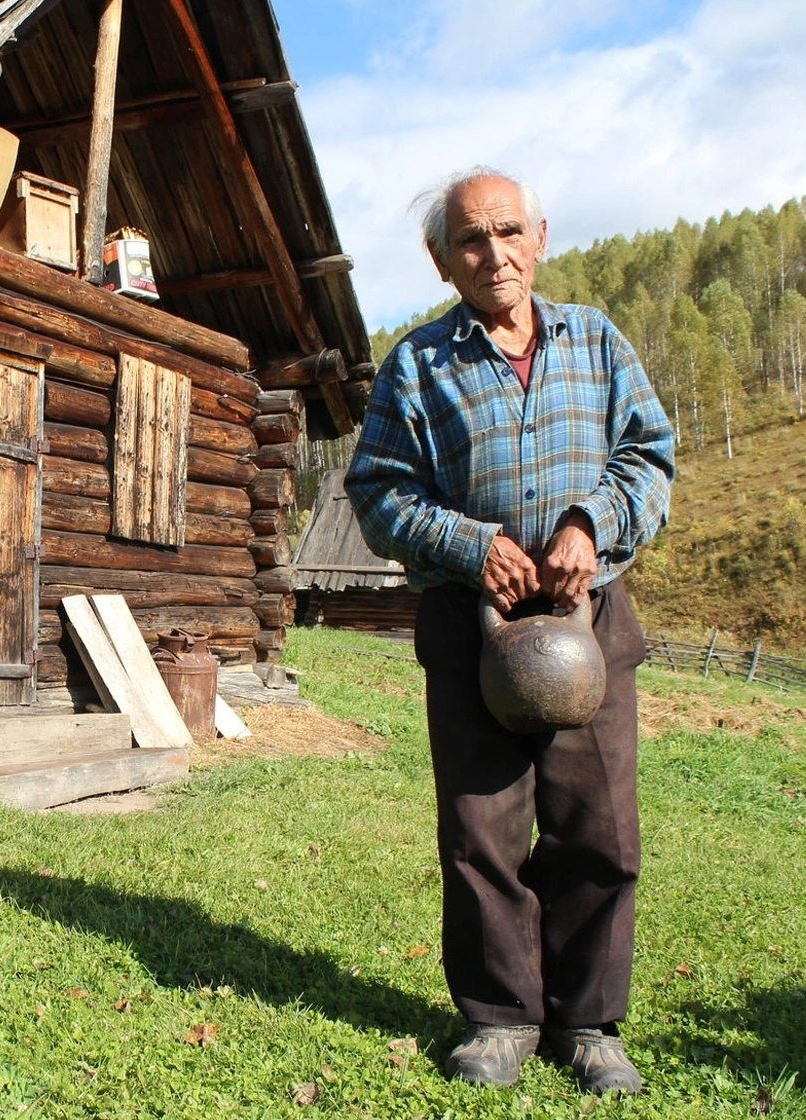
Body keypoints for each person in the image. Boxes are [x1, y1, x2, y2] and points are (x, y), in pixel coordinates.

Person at [345, 168, 675, 1094]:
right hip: (469, 622)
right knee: (483, 832)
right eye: (471, 239)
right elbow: (376, 491)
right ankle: (499, 1019)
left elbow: (649, 457)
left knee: (599, 830)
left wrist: (591, 524)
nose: (495, 254)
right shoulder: (418, 363)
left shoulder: (598, 342)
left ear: (541, 236)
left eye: (508, 232)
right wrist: (464, 542)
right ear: (443, 260)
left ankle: (590, 1023)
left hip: (589, 622)